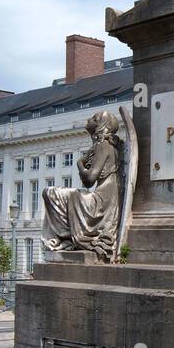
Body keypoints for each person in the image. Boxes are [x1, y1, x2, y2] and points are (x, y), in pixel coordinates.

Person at [43, 111, 122, 261]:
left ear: (101, 125)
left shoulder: (103, 145)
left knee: (50, 193)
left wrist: (79, 164)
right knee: (57, 193)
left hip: (102, 203)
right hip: (107, 198)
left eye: (94, 118)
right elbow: (87, 181)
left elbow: (90, 178)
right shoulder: (104, 145)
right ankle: (67, 235)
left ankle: (65, 237)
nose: (89, 119)